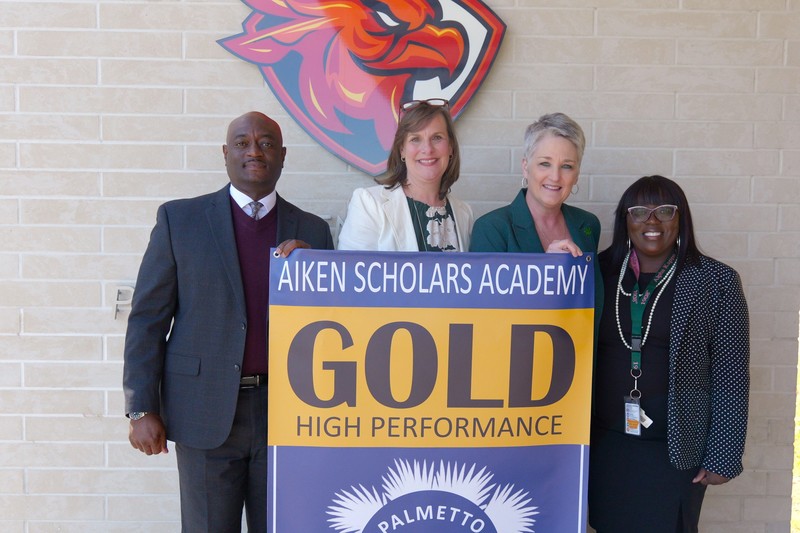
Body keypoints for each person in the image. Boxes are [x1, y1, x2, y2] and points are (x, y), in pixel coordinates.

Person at [122, 111, 334, 533]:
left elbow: (332, 325)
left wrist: (316, 271)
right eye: (242, 142)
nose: (254, 150)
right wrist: (141, 407)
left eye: (266, 143)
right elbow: (147, 318)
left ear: (282, 155)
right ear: (225, 154)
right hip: (203, 411)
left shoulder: (312, 231)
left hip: (287, 413)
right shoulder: (179, 221)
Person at [588, 175, 749, 533]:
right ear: (624, 219)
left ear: (681, 218)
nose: (652, 222)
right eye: (640, 212)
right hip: (605, 445)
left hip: (676, 451)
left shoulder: (716, 281)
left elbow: (731, 374)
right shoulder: (596, 272)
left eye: (665, 211)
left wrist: (724, 452)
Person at [469, 112, 603, 330]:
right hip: (516, 361)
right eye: (544, 163)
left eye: (567, 166)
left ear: (577, 173)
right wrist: (543, 271)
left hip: (580, 360)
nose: (555, 176)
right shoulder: (492, 229)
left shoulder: (588, 225)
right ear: (525, 166)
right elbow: (484, 316)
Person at [337, 98, 473, 251]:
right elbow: (352, 271)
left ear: (451, 148)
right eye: (415, 139)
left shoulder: (464, 213)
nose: (427, 149)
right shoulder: (369, 204)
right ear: (402, 150)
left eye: (437, 138)